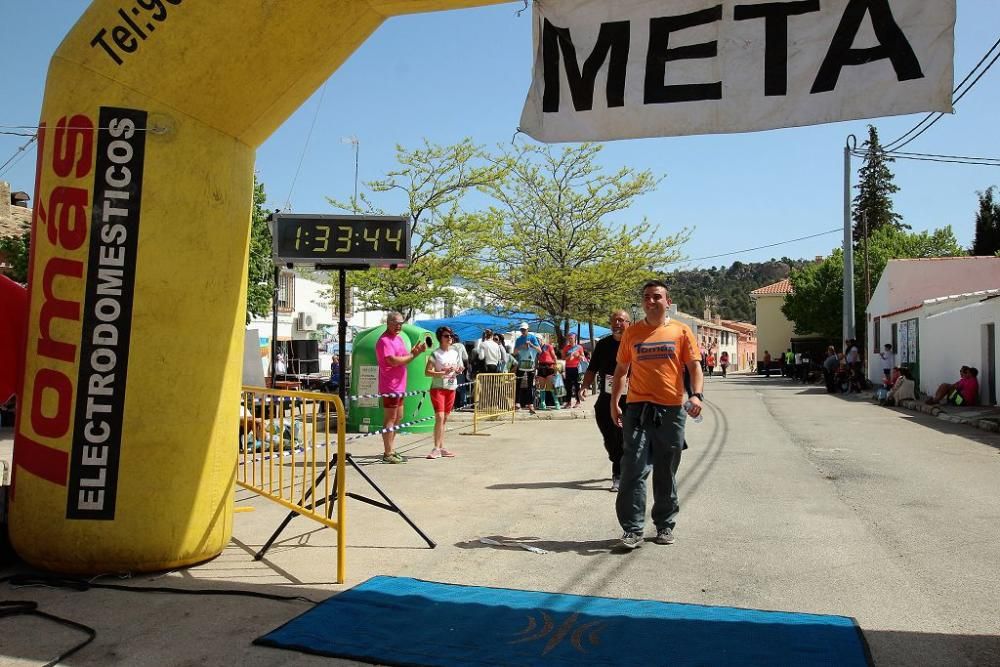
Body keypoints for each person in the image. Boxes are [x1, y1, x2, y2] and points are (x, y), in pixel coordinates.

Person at [611, 281, 704, 549]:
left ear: (667, 301)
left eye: (656, 297)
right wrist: (614, 402)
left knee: (666, 470)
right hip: (637, 408)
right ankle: (632, 529)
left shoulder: (681, 331)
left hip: (672, 410)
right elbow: (620, 371)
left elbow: (694, 368)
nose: (651, 301)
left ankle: (664, 525)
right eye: (646, 297)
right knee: (633, 468)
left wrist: (696, 395)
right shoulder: (632, 333)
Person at [581, 309, 631, 491]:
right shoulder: (603, 344)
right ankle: (615, 456)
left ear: (628, 324)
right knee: (609, 437)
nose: (617, 323)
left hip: (629, 398)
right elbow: (592, 368)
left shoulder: (634, 344)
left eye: (621, 320)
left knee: (623, 437)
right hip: (606, 397)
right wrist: (584, 386)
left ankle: (619, 474)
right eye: (614, 320)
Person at [375, 312, 427, 464]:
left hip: (400, 385)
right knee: (390, 418)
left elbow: (405, 357)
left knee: (399, 417)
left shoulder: (398, 338)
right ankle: (387, 452)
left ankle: (390, 448)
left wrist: (414, 352)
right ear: (388, 322)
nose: (399, 326)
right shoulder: (384, 341)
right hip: (390, 385)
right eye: (396, 323)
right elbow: (393, 361)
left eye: (401, 323)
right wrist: (414, 355)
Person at [424, 326, 463, 459]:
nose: (449, 338)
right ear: (440, 338)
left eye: (451, 336)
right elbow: (427, 371)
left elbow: (459, 368)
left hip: (451, 387)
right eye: (446, 336)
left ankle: (441, 447)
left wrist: (458, 370)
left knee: (444, 419)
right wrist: (441, 373)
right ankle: (436, 448)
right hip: (438, 388)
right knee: (439, 417)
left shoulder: (455, 352)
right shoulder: (435, 353)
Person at [513, 323, 541, 412]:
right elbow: (514, 352)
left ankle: (530, 404)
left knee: (530, 385)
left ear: (528, 329)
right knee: (518, 384)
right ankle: (517, 403)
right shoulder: (518, 339)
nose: (523, 331)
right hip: (521, 364)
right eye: (521, 329)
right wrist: (522, 346)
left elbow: (539, 350)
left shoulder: (532, 337)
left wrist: (531, 345)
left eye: (524, 329)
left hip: (530, 364)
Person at [561, 333, 585, 408]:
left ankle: (578, 401)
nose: (570, 339)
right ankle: (568, 402)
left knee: (577, 385)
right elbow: (563, 359)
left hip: (576, 368)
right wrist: (569, 356)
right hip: (568, 368)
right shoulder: (566, 348)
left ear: (575, 339)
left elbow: (583, 358)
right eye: (569, 338)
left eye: (571, 338)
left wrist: (578, 356)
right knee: (568, 386)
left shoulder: (579, 347)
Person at [451, 334, 470, 409]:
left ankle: (453, 403)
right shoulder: (460, 345)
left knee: (451, 386)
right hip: (459, 368)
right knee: (462, 386)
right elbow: (465, 357)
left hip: (450, 369)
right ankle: (463, 403)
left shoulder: (449, 346)